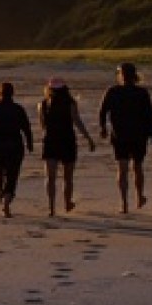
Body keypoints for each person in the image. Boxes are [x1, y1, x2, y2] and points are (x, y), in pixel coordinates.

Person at [98, 61, 152, 214]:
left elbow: (102, 112)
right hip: (139, 136)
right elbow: (150, 118)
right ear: (135, 76)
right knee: (137, 167)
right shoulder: (142, 93)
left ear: (121, 75)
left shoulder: (112, 91)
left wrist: (103, 128)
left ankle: (124, 203)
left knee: (122, 169)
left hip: (119, 135)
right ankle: (139, 197)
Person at [37, 77, 94, 216]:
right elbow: (77, 122)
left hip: (50, 142)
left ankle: (51, 208)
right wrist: (88, 138)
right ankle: (67, 203)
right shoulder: (70, 103)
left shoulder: (43, 104)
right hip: (67, 141)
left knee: (50, 177)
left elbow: (42, 126)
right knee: (68, 177)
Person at [0, 81, 34, 217]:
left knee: (1, 174)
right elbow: (26, 128)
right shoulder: (18, 109)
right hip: (15, 144)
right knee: (12, 174)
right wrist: (30, 143)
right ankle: (6, 200)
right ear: (12, 93)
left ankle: (4, 201)